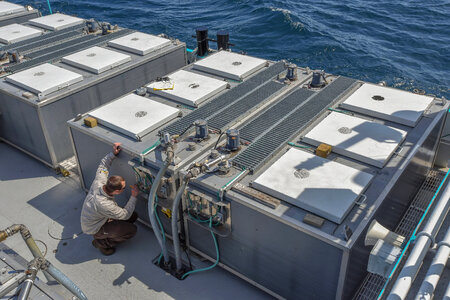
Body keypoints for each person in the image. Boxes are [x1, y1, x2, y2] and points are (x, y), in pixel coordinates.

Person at [80, 142, 140, 255]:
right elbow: (125, 214)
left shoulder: (100, 181)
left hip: (98, 216)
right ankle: (102, 243)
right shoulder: (104, 204)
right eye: (124, 187)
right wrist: (134, 196)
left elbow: (103, 166)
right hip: (95, 228)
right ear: (117, 191)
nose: (125, 188)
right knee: (132, 230)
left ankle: (108, 228)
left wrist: (113, 153)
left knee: (134, 216)